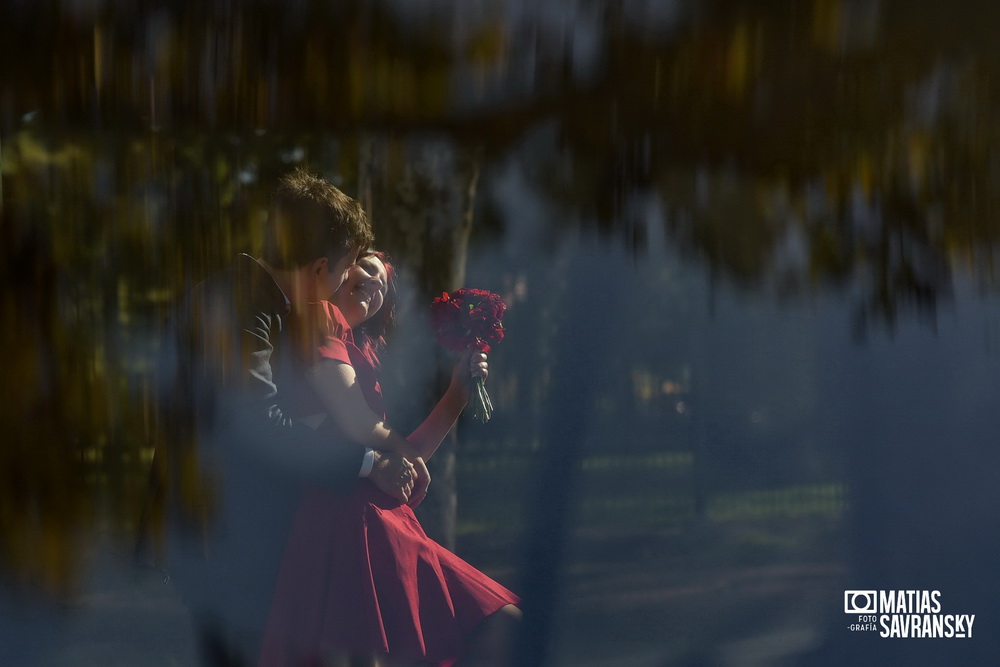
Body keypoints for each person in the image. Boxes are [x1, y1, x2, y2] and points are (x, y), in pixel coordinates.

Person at [167, 171, 428, 666]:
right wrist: (370, 462)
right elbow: (259, 423)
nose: (349, 281)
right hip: (232, 540)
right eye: (348, 267)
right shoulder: (246, 305)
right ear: (321, 268)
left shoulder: (237, 295)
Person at [258, 251, 520, 666]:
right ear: (333, 271)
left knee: (502, 625)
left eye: (383, 280)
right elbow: (364, 427)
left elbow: (401, 458)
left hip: (386, 520)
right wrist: (401, 458)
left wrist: (456, 395)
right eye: (363, 266)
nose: (375, 282)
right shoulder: (319, 317)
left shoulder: (357, 350)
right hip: (349, 522)